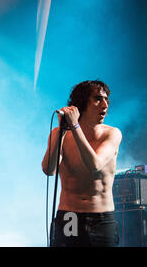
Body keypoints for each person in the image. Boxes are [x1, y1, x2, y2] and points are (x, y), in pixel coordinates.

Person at [42, 80, 122, 247]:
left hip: (101, 219)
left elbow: (94, 165)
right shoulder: (59, 133)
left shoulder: (112, 134)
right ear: (81, 104)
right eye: (98, 99)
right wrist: (62, 132)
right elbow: (49, 170)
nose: (105, 105)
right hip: (69, 216)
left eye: (107, 100)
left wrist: (75, 126)